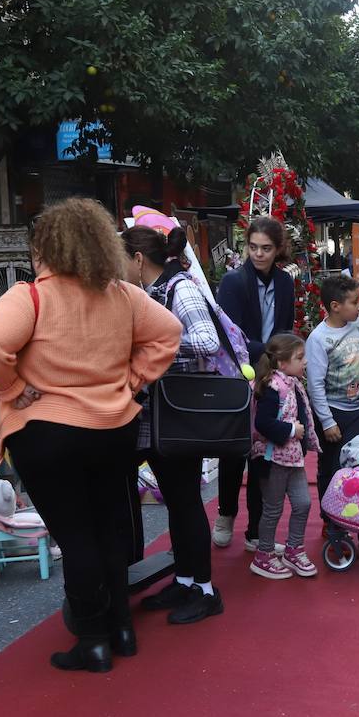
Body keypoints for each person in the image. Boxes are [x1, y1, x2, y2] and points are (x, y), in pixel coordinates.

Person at [0, 198, 181, 673]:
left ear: (45, 247)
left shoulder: (30, 296)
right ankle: (121, 630)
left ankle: (91, 640)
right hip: (112, 429)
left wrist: (12, 386)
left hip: (46, 434)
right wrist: (135, 378)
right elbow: (169, 331)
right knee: (110, 527)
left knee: (76, 536)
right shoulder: (122, 295)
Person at [122, 225, 230, 626]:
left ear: (137, 259)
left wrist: (153, 344)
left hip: (181, 417)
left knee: (186, 501)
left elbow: (207, 342)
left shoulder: (179, 288)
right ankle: (184, 579)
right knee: (176, 500)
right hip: (159, 418)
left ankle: (204, 589)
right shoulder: (154, 291)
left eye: (122, 259)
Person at [214, 217, 295, 552]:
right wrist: (267, 353)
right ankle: (226, 514)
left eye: (266, 248)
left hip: (270, 373)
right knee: (234, 449)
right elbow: (229, 333)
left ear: (278, 250)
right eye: (253, 247)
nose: (258, 254)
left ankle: (256, 532)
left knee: (264, 452)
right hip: (238, 371)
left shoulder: (286, 283)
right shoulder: (234, 281)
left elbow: (286, 325)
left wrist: (280, 362)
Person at [305, 274, 359, 533]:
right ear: (335, 306)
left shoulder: (356, 326)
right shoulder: (319, 339)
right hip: (333, 412)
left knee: (358, 465)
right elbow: (315, 385)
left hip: (356, 409)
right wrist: (327, 421)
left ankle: (358, 515)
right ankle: (330, 518)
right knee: (332, 467)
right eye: (354, 302)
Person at [250, 333, 320, 580]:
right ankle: (264, 555)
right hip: (273, 459)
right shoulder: (272, 388)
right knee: (273, 509)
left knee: (303, 503)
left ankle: (294, 548)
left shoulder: (294, 385)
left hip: (293, 458)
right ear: (281, 363)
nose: (305, 362)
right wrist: (292, 430)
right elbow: (262, 422)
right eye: (300, 358)